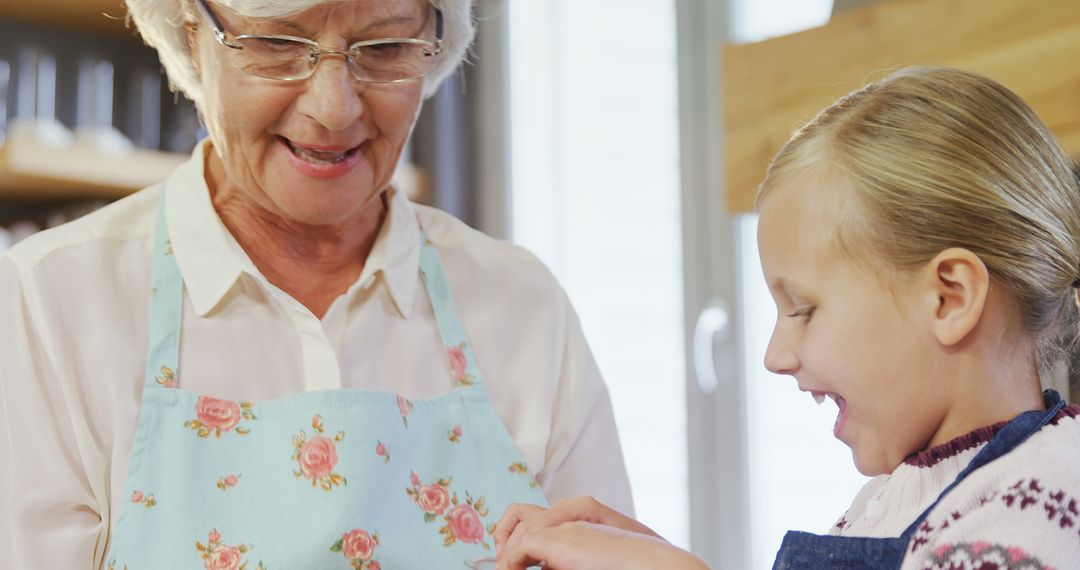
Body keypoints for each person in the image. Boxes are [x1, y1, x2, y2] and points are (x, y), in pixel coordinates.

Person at [0, 0, 633, 567]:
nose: (334, 108)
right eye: (277, 43)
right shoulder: (49, 302)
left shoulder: (522, 305)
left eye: (383, 49)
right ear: (193, 34)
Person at [492, 66, 1080, 569]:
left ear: (948, 298)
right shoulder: (896, 495)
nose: (776, 356)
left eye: (803, 309)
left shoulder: (1044, 497)